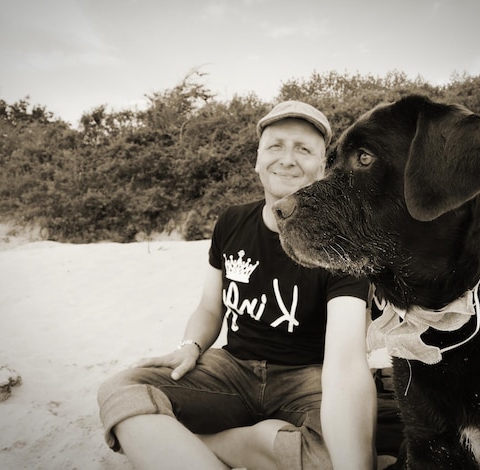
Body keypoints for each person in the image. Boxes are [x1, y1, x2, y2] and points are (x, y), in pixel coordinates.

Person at [97, 101, 387, 470]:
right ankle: (254, 442)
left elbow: (345, 361)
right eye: (275, 146)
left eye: (303, 149)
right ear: (257, 159)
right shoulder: (232, 221)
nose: (287, 159)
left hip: (307, 378)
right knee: (121, 390)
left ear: (322, 166)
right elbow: (209, 307)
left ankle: (212, 444)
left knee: (333, 458)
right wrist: (190, 345)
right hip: (232, 369)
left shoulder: (343, 242)